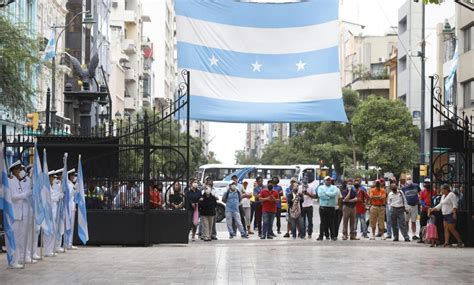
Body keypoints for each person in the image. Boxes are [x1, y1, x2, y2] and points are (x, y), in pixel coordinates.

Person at [8, 161, 33, 267]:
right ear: (14, 170)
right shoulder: (11, 181)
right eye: (19, 169)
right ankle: (12, 261)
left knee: (18, 238)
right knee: (13, 238)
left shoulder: (17, 181)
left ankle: (15, 260)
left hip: (19, 214)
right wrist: (25, 194)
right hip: (13, 214)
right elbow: (13, 197)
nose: (21, 171)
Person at [317, 176, 338, 241]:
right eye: (327, 180)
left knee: (331, 222)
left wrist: (326, 193)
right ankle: (321, 236)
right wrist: (329, 196)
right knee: (322, 222)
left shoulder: (334, 187)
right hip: (323, 207)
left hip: (331, 207)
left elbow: (334, 194)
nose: (328, 181)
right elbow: (320, 195)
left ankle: (333, 236)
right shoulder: (320, 187)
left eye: (329, 180)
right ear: (324, 181)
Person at [401, 175, 421, 240]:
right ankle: (406, 235)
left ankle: (414, 234)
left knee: (413, 221)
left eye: (409, 179)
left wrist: (418, 201)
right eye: (408, 179)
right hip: (407, 206)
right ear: (406, 180)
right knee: (406, 221)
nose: (409, 180)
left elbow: (420, 193)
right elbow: (402, 198)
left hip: (414, 206)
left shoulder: (416, 186)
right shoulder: (403, 189)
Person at [65, 169, 78, 250]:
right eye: (73, 175)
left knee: (71, 226)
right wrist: (74, 190)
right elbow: (68, 196)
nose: (74, 177)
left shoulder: (71, 184)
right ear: (70, 176)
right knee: (68, 226)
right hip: (69, 207)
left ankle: (70, 242)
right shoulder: (68, 184)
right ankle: (67, 243)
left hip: (72, 207)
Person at [418, 178, 432, 243]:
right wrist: (425, 205)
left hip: (431, 210)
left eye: (428, 183)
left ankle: (431, 238)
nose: (427, 184)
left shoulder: (433, 191)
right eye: (426, 183)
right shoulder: (422, 191)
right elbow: (421, 200)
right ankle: (421, 238)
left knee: (432, 224)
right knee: (422, 224)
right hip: (424, 210)